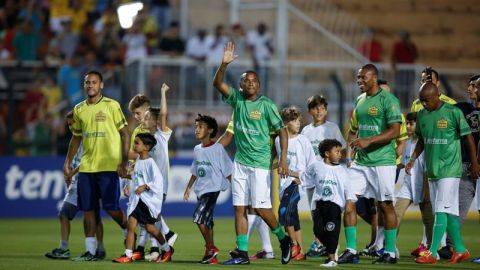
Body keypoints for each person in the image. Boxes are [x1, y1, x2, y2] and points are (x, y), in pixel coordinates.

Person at [213, 42, 292, 265]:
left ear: (259, 85)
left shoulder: (267, 105)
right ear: (240, 85)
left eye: (254, 81)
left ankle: (283, 239)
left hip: (259, 164)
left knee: (260, 208)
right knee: (239, 208)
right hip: (240, 162)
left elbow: (282, 131)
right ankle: (243, 253)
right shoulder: (236, 100)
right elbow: (217, 83)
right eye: (246, 81)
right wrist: (224, 64)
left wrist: (283, 157)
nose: (250, 83)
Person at [406, 82, 479, 264]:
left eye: (427, 100)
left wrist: (475, 162)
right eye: (421, 101)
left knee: (439, 210)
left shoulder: (453, 112)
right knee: (450, 212)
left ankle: (431, 252)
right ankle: (461, 250)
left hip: (450, 170)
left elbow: (468, 138)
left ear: (437, 95)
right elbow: (422, 140)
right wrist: (413, 158)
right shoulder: (422, 115)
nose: (424, 104)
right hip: (433, 171)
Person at [63, 70, 129, 261]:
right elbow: (76, 139)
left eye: (94, 82)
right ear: (84, 85)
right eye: (87, 82)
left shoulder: (112, 105)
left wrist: (123, 161)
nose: (90, 85)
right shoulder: (78, 109)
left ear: (101, 85)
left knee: (111, 208)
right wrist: (67, 162)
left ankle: (127, 228)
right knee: (88, 209)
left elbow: (125, 133)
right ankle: (90, 251)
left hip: (108, 166)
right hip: (86, 167)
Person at [339, 64, 402, 264]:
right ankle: (351, 250)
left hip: (383, 161)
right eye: (358, 78)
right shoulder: (360, 100)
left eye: (363, 78)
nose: (359, 81)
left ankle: (389, 252)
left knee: (385, 206)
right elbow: (353, 129)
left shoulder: (389, 100)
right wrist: (349, 153)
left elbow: (395, 131)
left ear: (374, 78)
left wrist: (369, 140)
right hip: (360, 162)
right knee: (348, 203)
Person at [45, 111, 105, 260]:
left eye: (72, 123)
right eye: (69, 124)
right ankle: (64, 248)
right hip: (77, 183)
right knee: (64, 214)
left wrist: (71, 173)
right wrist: (69, 172)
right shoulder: (75, 139)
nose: (70, 126)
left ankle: (100, 248)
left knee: (94, 217)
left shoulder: (90, 137)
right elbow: (75, 159)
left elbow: (89, 160)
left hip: (90, 181)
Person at [127, 85, 177, 261]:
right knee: (148, 219)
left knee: (151, 219)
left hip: (158, 185)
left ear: (155, 122)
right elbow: (136, 160)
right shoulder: (144, 138)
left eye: (147, 117)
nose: (143, 120)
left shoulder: (161, 136)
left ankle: (162, 245)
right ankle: (159, 246)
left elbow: (162, 114)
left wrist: (163, 93)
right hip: (145, 184)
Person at [217, 114, 276, 260]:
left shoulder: (264, 110)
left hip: (260, 165)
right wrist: (210, 150)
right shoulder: (238, 112)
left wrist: (271, 159)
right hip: (245, 163)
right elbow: (228, 134)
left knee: (257, 207)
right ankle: (267, 248)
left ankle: (281, 241)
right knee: (252, 207)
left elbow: (275, 137)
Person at [113, 133, 174, 263]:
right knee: (131, 226)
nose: (134, 145)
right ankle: (128, 255)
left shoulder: (151, 163)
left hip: (146, 201)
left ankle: (167, 249)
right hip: (137, 200)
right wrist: (126, 176)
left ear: (146, 147)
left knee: (150, 228)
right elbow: (137, 177)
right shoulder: (138, 160)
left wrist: (145, 186)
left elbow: (158, 181)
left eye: (137, 143)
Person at [297, 139, 357, 267]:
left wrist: (349, 202)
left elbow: (348, 188)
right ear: (327, 153)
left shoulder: (342, 170)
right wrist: (295, 178)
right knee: (318, 231)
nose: (340, 154)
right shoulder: (316, 166)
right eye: (337, 151)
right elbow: (305, 177)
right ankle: (330, 248)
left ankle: (332, 259)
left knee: (332, 232)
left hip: (334, 206)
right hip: (319, 205)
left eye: (340, 151)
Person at [300, 94, 347, 257]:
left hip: (328, 176)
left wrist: (337, 166)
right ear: (309, 111)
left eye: (322, 108)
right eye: (315, 108)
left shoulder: (332, 128)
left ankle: (332, 245)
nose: (319, 111)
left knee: (331, 212)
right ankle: (320, 243)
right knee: (316, 212)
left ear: (326, 110)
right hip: (313, 176)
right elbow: (303, 154)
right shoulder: (306, 130)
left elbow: (342, 148)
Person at [183, 114, 233, 265]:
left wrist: (237, 190)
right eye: (195, 127)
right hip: (201, 189)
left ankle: (210, 248)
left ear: (210, 130)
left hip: (213, 189)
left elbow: (228, 170)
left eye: (200, 127)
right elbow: (195, 170)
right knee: (208, 222)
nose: (196, 130)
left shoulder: (218, 149)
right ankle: (212, 256)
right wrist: (188, 188)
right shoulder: (197, 149)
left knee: (198, 217)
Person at [274, 106, 316, 261]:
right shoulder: (279, 140)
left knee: (284, 211)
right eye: (294, 120)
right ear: (286, 123)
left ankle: (293, 244)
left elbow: (311, 165)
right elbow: (280, 160)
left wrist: (301, 177)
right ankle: (301, 252)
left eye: (299, 120)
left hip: (297, 182)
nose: (299, 123)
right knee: (292, 218)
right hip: (284, 183)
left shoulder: (303, 141)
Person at [394, 112, 433, 256]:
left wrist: (426, 190)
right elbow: (402, 165)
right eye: (407, 123)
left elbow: (427, 169)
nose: (409, 126)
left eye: (412, 123)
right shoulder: (406, 143)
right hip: (408, 185)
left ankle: (431, 249)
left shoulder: (427, 143)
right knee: (396, 213)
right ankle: (391, 247)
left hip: (424, 184)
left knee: (428, 218)